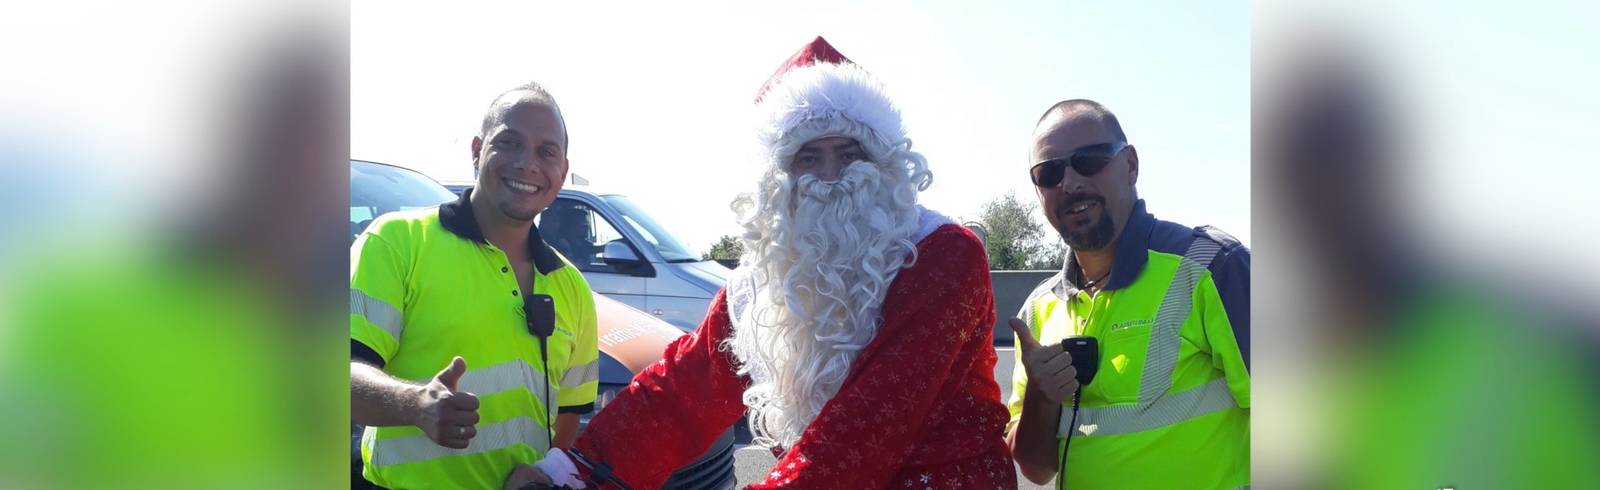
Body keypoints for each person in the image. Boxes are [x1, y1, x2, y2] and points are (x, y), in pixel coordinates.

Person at [522, 36, 1016, 489]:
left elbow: (870, 424)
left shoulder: (943, 254)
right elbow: (681, 391)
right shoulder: (766, 278)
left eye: (848, 154)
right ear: (777, 176)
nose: (828, 177)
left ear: (885, 163)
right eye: (807, 157)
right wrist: (577, 470)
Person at [349, 82, 600, 489]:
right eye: (510, 142)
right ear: (476, 149)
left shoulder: (570, 285)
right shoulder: (398, 242)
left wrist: (544, 471)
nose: (527, 163)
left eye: (546, 151)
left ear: (562, 171)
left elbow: (570, 412)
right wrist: (415, 406)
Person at [1006, 100, 1251, 489]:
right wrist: (1040, 396)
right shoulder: (1039, 311)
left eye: (1088, 160)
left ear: (1131, 165)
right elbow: (1037, 470)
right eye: (1049, 172)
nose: (1069, 183)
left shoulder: (1210, 266)